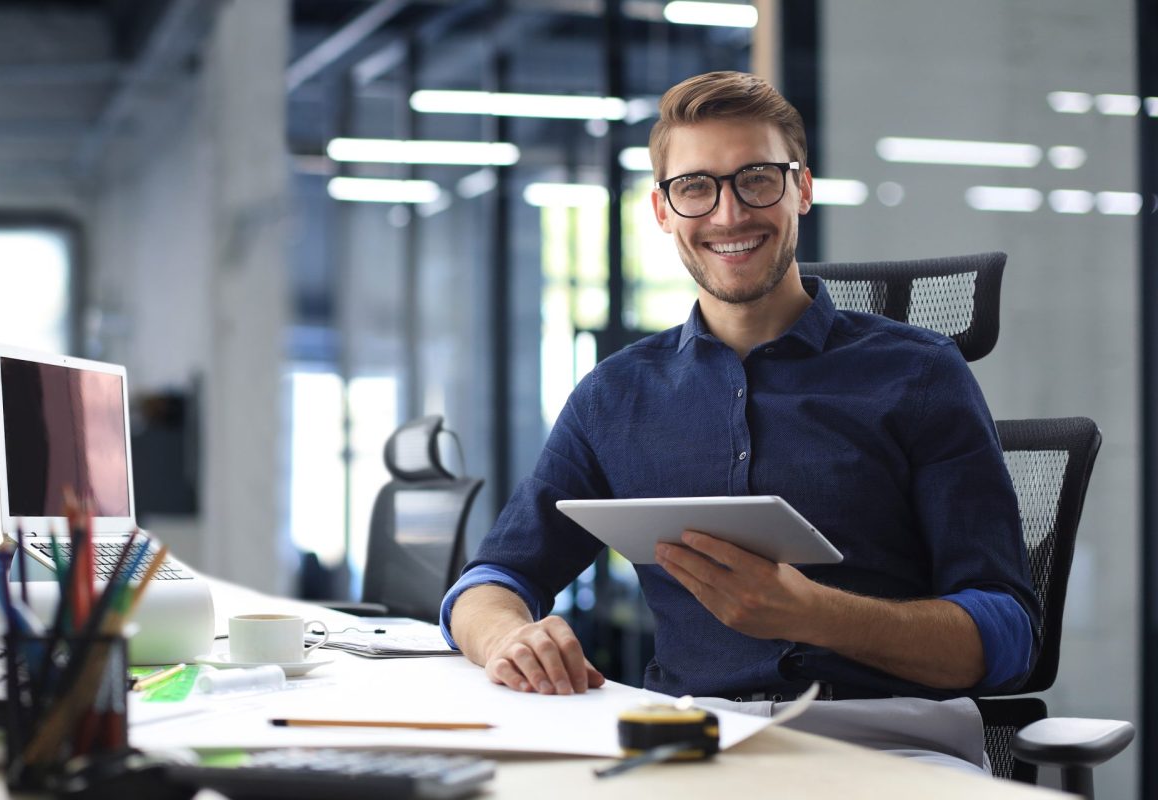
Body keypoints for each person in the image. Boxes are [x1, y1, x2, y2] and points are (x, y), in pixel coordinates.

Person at [440, 71, 1039, 773]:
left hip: (884, 743)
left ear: (801, 189)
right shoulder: (617, 393)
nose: (727, 215)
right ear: (663, 211)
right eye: (695, 187)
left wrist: (814, 613)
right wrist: (506, 637)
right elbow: (493, 579)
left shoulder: (921, 374)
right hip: (684, 739)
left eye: (757, 179)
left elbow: (1007, 637)